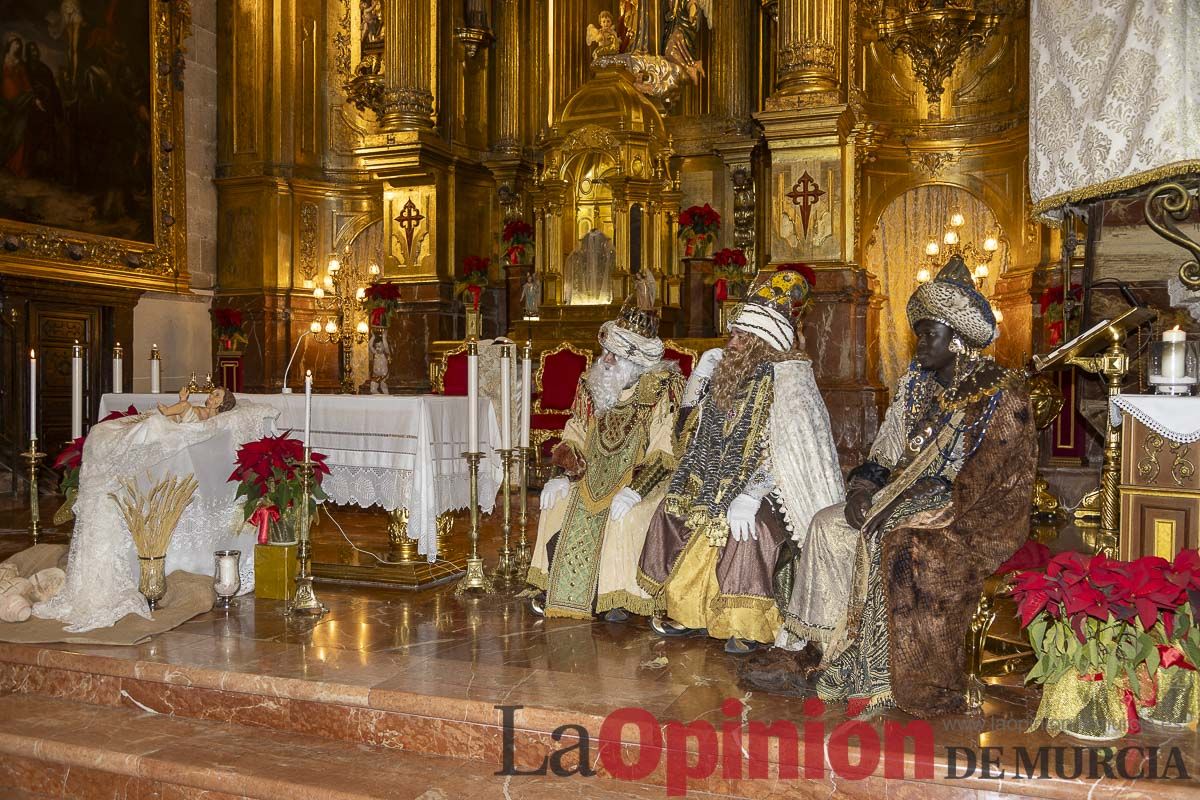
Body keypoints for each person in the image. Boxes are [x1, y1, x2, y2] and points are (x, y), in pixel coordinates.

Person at [749, 254, 1037, 718]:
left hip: (972, 510)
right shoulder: (917, 387)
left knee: (890, 538)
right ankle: (815, 647)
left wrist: (932, 497)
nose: (920, 342)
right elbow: (884, 454)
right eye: (919, 332)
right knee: (827, 524)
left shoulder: (999, 392)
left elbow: (998, 478)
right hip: (907, 490)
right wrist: (863, 489)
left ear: (959, 340)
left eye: (930, 334)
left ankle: (878, 672)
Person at [638, 267, 844, 654]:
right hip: (717, 479)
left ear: (758, 340)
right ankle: (691, 612)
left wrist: (751, 494)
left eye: (738, 336)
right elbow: (692, 440)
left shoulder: (789, 380)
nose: (730, 342)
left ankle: (745, 624)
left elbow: (786, 451)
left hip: (772, 487)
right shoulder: (725, 376)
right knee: (674, 508)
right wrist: (698, 383)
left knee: (749, 531)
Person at [526, 298, 686, 620]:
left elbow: (666, 450)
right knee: (555, 504)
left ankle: (618, 595)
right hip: (591, 476)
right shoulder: (592, 384)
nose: (607, 359)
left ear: (638, 360)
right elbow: (575, 431)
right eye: (606, 352)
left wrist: (635, 490)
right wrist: (561, 474)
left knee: (625, 516)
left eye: (617, 354)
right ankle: (557, 585)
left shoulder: (662, 389)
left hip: (644, 481)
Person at [157, 386, 236, 422]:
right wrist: (182, 399)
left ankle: (166, 410)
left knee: (185, 405)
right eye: (212, 393)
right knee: (167, 417)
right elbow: (182, 410)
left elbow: (212, 423)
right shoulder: (202, 407)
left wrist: (212, 408)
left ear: (223, 403)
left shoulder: (214, 412)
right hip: (182, 417)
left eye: (217, 395)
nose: (211, 395)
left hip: (193, 421)